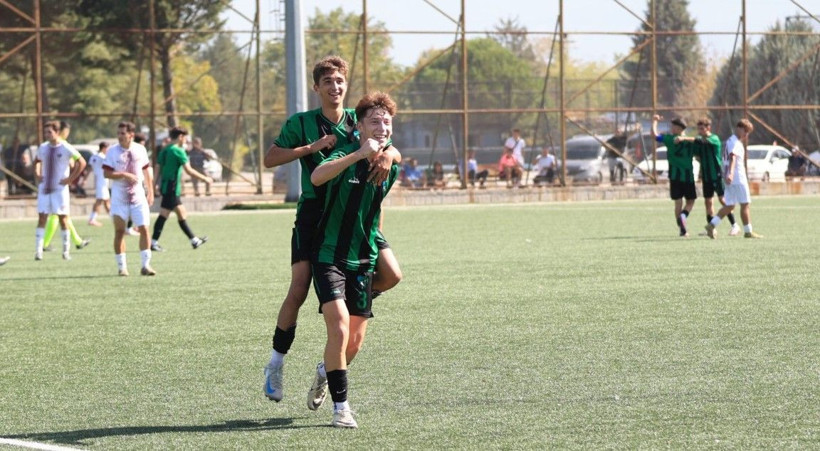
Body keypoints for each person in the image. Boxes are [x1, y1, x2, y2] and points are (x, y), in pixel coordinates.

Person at [261, 56, 403, 404]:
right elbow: (271, 158)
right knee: (298, 289)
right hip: (315, 212)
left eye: (340, 81)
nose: (335, 87)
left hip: (354, 213)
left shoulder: (359, 120)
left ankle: (347, 298)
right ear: (317, 88)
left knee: (393, 274)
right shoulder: (303, 122)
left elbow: (387, 140)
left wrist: (391, 155)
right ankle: (275, 364)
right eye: (328, 82)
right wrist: (310, 149)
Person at [307, 91, 401, 429]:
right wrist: (359, 153)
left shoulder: (390, 162)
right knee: (339, 327)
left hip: (363, 259)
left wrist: (388, 154)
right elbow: (318, 176)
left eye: (387, 122)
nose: (382, 127)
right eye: (374, 121)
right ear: (359, 126)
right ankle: (341, 408)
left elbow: (377, 210)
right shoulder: (346, 150)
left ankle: (325, 372)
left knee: (354, 343)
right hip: (329, 254)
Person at [103, 121, 156, 276]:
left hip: (138, 198)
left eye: (122, 133)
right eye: (118, 133)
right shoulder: (112, 151)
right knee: (119, 232)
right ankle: (122, 267)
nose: (119, 136)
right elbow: (106, 173)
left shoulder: (140, 149)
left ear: (131, 135)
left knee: (144, 229)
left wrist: (150, 191)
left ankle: (145, 266)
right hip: (119, 199)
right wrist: (124, 175)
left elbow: (146, 171)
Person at [150, 126, 212, 252]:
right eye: (185, 138)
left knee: (179, 213)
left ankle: (194, 240)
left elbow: (157, 169)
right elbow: (189, 170)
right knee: (165, 214)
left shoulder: (165, 150)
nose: (186, 140)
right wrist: (205, 179)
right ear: (180, 137)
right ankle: (153, 243)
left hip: (166, 186)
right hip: (172, 187)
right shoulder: (178, 151)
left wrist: (154, 185)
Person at [675, 117, 740, 236]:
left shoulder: (714, 139)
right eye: (699, 129)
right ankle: (711, 227)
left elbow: (700, 142)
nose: (700, 131)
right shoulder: (700, 139)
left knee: (722, 200)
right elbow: (695, 149)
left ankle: (734, 225)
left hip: (716, 175)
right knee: (708, 202)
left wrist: (684, 138)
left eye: (702, 128)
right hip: (706, 177)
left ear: (708, 128)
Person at [33, 121, 87, 261]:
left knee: (63, 219)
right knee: (42, 218)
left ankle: (66, 252)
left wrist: (70, 179)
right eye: (45, 132)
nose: (47, 135)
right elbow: (37, 161)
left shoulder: (65, 147)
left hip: (60, 189)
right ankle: (38, 252)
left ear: (57, 132)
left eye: (49, 132)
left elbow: (82, 162)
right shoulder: (43, 147)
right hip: (44, 189)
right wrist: (38, 174)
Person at [705, 119, 763, 239]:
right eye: (745, 131)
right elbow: (733, 158)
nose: (746, 134)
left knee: (730, 205)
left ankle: (712, 224)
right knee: (745, 204)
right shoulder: (735, 142)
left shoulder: (731, 141)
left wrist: (727, 174)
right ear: (739, 128)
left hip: (730, 178)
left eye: (748, 132)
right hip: (737, 177)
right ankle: (748, 231)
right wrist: (731, 173)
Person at [652, 114, 696, 237]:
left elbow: (654, 135)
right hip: (688, 176)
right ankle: (684, 216)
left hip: (675, 176)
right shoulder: (691, 141)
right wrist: (685, 139)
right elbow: (701, 141)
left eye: (673, 126)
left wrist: (655, 121)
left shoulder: (670, 139)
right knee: (690, 201)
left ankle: (682, 229)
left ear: (678, 128)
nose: (671, 128)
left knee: (678, 203)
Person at [87, 141, 111, 226]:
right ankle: (92, 219)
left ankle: (112, 217)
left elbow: (89, 168)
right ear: (104, 148)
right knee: (100, 200)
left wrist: (85, 179)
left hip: (99, 180)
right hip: (102, 180)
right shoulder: (103, 158)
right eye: (108, 148)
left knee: (105, 201)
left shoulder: (93, 156)